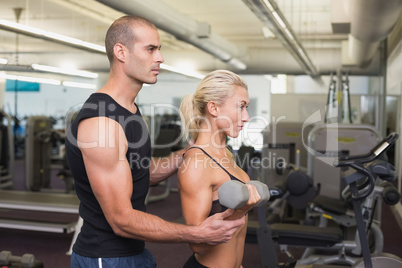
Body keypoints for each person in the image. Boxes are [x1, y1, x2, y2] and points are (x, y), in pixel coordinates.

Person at [65, 16, 245, 268]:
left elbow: (139, 172)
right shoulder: (101, 122)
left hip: (134, 253)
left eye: (159, 49)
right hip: (105, 257)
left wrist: (191, 152)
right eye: (150, 49)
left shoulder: (129, 110)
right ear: (121, 52)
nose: (159, 58)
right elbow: (121, 220)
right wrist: (195, 233)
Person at [178, 70, 261, 268]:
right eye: (241, 107)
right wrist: (242, 209)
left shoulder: (226, 156)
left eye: (246, 107)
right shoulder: (197, 162)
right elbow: (197, 244)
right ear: (213, 108)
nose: (247, 117)